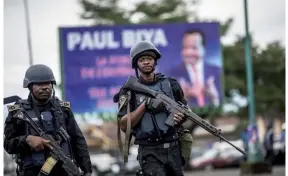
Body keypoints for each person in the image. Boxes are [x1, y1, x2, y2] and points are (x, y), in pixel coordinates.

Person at [116, 41, 193, 176]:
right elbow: (123, 125)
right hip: (149, 152)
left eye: (150, 59)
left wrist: (181, 117)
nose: (146, 62)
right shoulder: (129, 91)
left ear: (155, 62)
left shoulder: (171, 84)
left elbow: (185, 110)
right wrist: (145, 105)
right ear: (136, 64)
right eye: (142, 59)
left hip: (173, 148)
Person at [4, 64, 92, 176]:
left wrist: (87, 170)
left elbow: (78, 140)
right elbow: (8, 144)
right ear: (30, 86)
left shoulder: (62, 109)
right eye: (39, 84)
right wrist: (27, 140)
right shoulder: (18, 112)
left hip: (63, 171)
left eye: (48, 83)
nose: (45, 87)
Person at [169, 29, 221, 108]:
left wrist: (214, 98)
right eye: (185, 47)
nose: (188, 52)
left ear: (203, 48)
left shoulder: (216, 72)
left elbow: (221, 104)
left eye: (194, 47)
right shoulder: (171, 74)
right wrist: (181, 97)